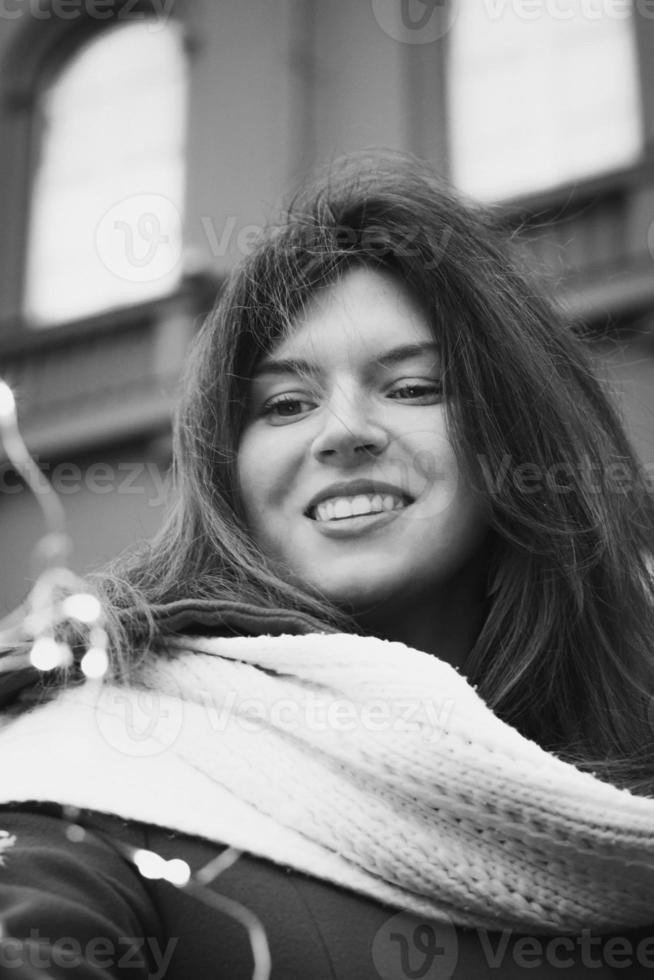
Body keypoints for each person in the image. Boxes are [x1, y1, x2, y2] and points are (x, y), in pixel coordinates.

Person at [1, 150, 654, 979]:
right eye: (284, 404)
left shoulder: (627, 770)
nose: (344, 431)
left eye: (413, 388)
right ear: (227, 472)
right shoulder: (93, 762)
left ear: (514, 442)